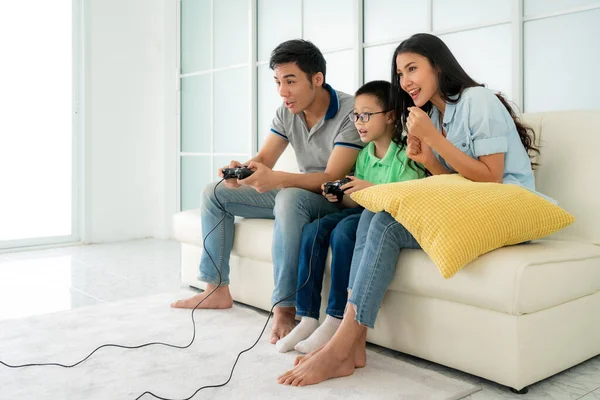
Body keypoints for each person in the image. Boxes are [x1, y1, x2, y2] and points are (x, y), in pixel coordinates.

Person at [277, 32, 544, 386]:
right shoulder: (434, 113)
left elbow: (491, 178)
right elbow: (454, 181)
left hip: (509, 205)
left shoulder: (476, 100)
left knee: (385, 223)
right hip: (473, 203)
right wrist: (429, 160)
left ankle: (345, 342)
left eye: (412, 69)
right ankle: (353, 344)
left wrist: (433, 140)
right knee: (375, 212)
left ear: (438, 65)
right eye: (400, 74)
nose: (405, 82)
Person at [171, 39, 364, 345]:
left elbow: (332, 177)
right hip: (300, 193)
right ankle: (216, 288)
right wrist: (244, 172)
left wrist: (276, 179)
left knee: (287, 196)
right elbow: (265, 160)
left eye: (290, 81)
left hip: (336, 199)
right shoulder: (287, 112)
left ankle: (285, 308)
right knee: (215, 191)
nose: (282, 92)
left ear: (317, 79)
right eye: (277, 82)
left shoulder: (352, 112)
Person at [274, 80, 426, 354]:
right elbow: (354, 199)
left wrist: (370, 191)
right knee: (314, 230)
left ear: (391, 116)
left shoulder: (407, 154)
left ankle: (335, 316)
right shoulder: (365, 154)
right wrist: (339, 195)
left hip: (387, 218)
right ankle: (308, 316)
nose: (358, 122)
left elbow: (406, 199)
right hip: (361, 211)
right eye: (355, 115)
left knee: (343, 232)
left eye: (365, 115)